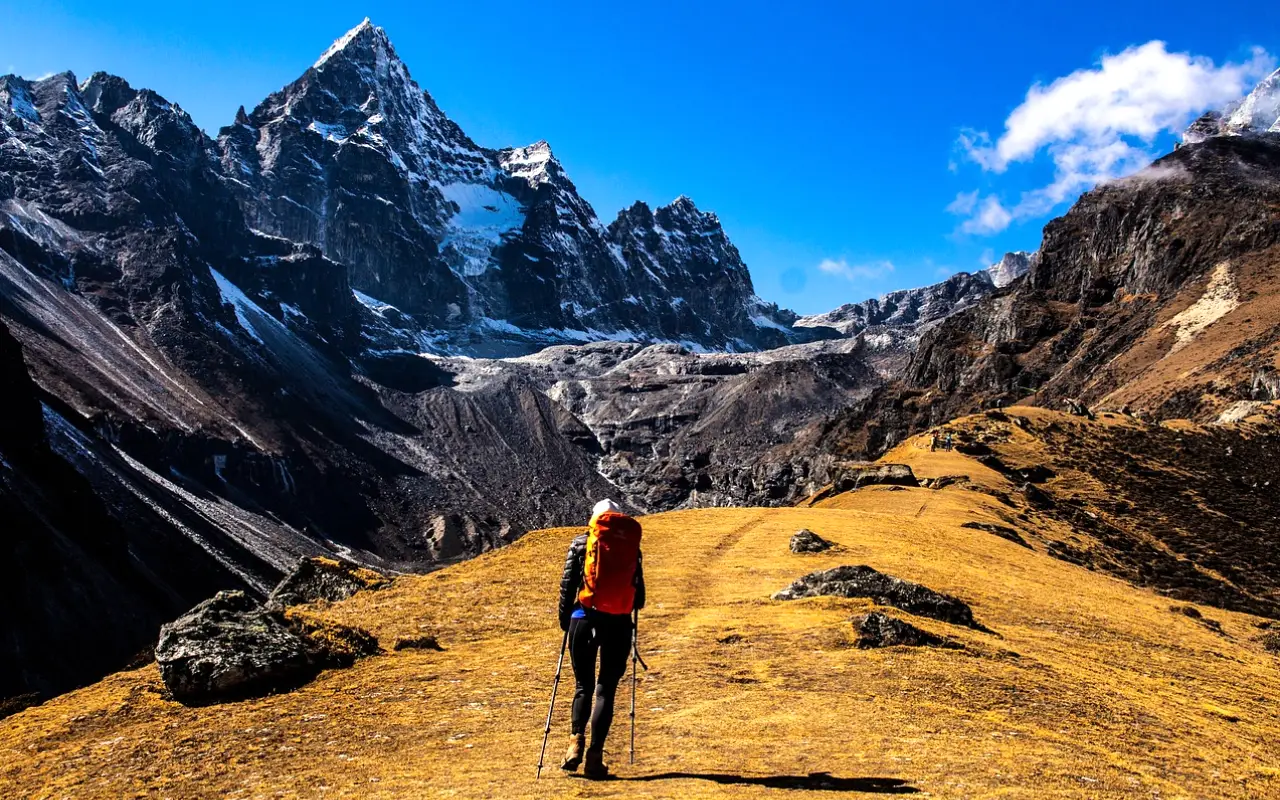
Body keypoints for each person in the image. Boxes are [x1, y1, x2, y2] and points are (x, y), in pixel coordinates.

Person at [557, 499, 646, 779]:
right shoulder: (632, 547)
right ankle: (595, 757)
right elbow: (640, 598)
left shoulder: (581, 543)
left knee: (583, 685)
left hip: (583, 619)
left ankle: (575, 744)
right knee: (606, 689)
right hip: (618, 624)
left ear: (594, 519)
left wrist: (566, 622)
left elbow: (567, 587)